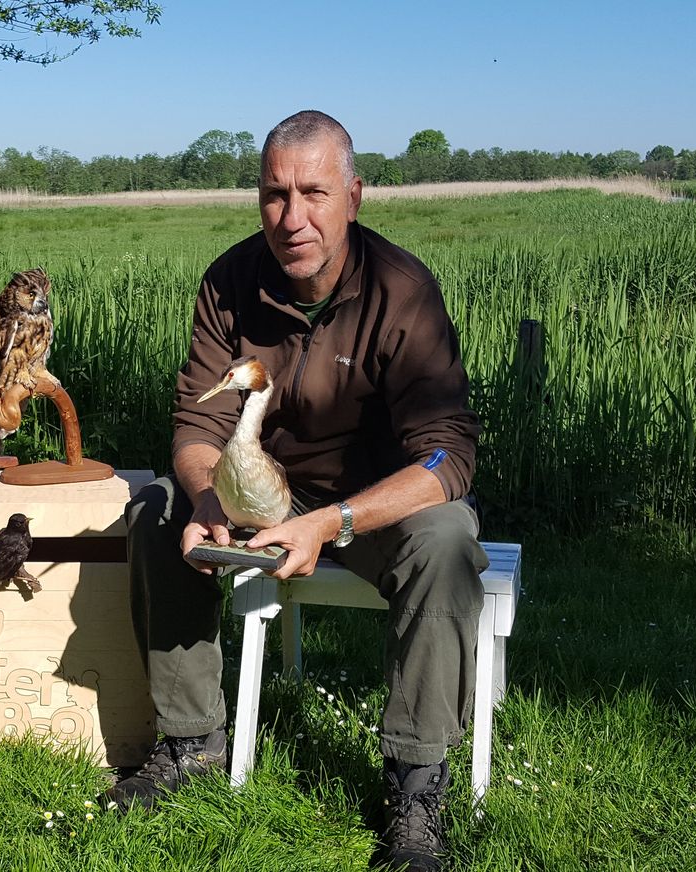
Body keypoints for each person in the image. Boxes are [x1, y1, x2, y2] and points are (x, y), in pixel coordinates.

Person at [102, 110, 486, 872]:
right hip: (264, 494)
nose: (292, 217)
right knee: (155, 511)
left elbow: (448, 459)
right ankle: (193, 745)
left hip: (374, 503)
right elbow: (194, 422)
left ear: (354, 195)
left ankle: (415, 789)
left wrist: (335, 523)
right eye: (274, 194)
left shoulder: (401, 291)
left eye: (313, 192)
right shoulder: (230, 281)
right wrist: (207, 494)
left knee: (445, 540)